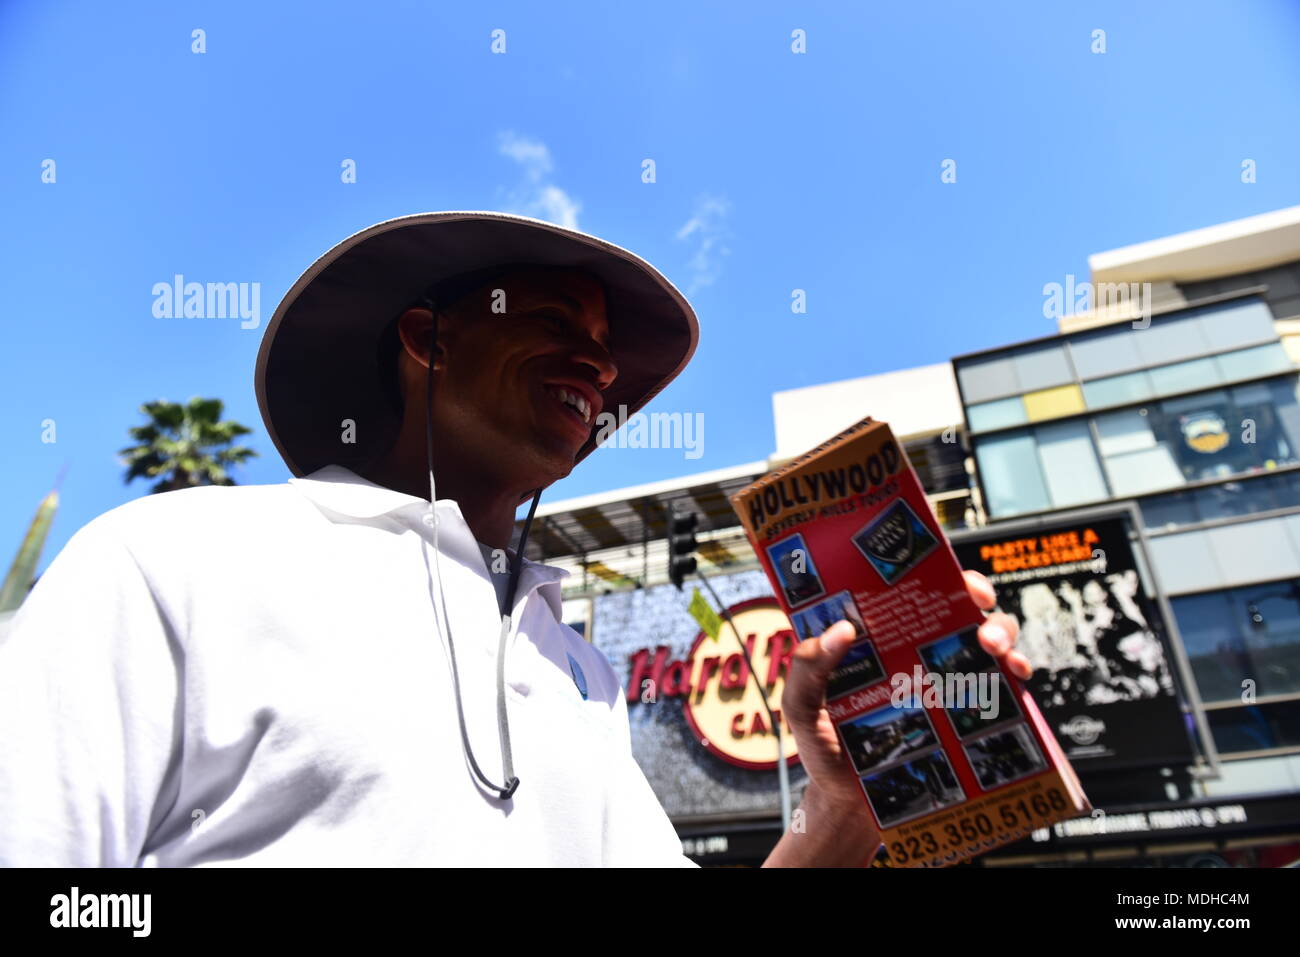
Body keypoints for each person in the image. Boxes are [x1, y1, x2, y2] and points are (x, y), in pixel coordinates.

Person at [0, 211, 1031, 866]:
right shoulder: (175, 558)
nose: (596, 368)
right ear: (426, 340)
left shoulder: (575, 665)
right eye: (551, 321)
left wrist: (843, 802)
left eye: (604, 357)